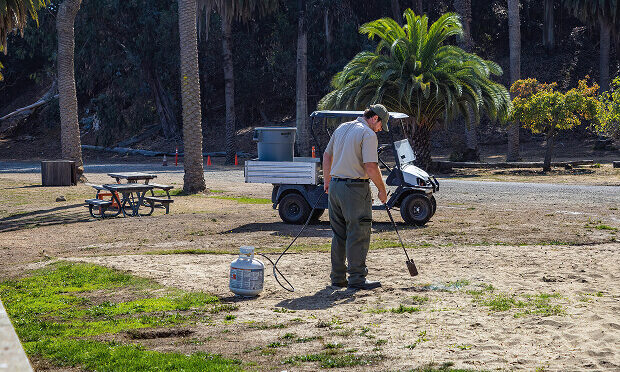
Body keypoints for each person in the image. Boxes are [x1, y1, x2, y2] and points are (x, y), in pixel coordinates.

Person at [322, 104, 389, 290]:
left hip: (335, 187)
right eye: (381, 124)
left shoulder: (342, 127)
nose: (381, 129)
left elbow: (327, 156)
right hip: (355, 189)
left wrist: (327, 181)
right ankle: (357, 278)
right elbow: (370, 167)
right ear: (375, 118)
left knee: (339, 234)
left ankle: (337, 277)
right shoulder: (368, 134)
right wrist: (382, 190)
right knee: (358, 233)